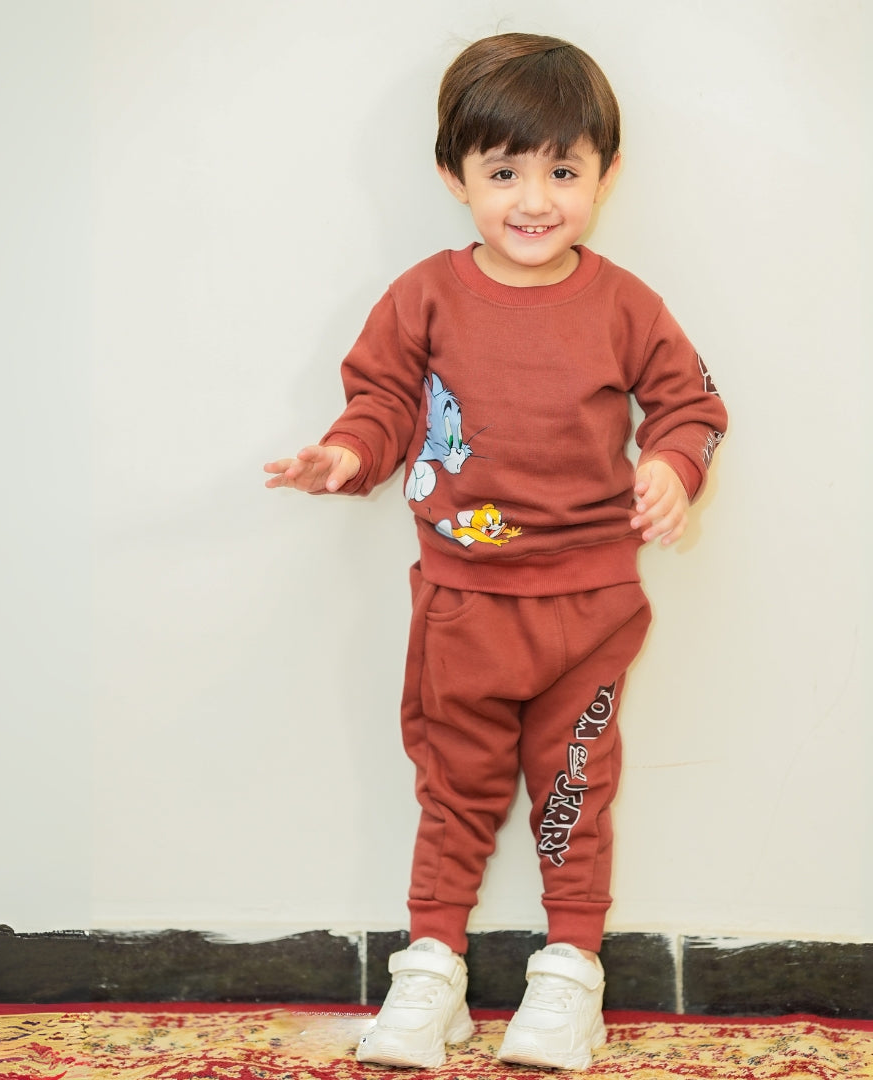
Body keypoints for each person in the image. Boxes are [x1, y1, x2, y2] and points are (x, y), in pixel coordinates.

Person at [264, 32, 728, 1072]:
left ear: (606, 175)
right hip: (463, 605)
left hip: (590, 608)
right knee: (455, 790)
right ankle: (432, 967)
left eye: (564, 171)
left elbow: (693, 405)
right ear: (455, 175)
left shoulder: (625, 304)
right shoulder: (423, 296)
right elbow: (383, 404)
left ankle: (571, 972)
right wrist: (344, 457)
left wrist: (671, 466)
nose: (535, 200)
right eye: (505, 172)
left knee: (573, 794)